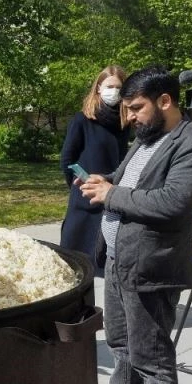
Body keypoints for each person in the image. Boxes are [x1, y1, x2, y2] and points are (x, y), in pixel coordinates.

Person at [80, 65, 192, 384]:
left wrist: (111, 194)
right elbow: (127, 183)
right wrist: (100, 180)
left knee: (152, 355)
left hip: (152, 268)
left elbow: (172, 203)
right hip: (120, 261)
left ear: (165, 101)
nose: (130, 117)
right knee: (121, 343)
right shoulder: (145, 139)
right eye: (126, 109)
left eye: (136, 108)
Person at [60, 65, 130, 272]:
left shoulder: (124, 123)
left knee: (103, 264)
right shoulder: (82, 119)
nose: (114, 91)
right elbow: (67, 158)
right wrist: (77, 186)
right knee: (74, 263)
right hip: (84, 196)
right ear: (98, 88)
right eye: (109, 86)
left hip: (111, 196)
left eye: (119, 87)